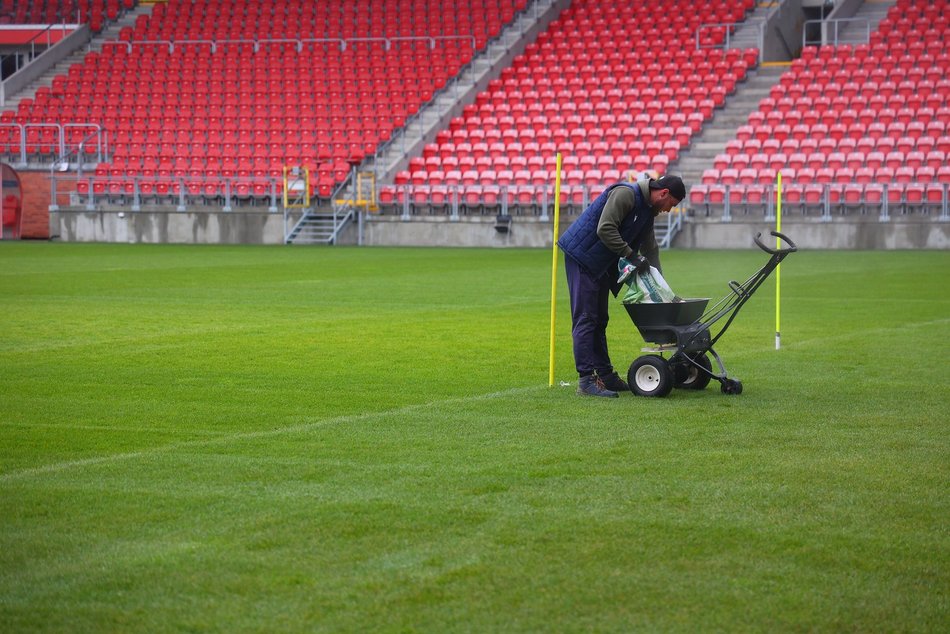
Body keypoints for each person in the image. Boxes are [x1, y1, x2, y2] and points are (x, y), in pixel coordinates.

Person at [557, 174, 686, 397]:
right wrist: (630, 255)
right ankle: (586, 381)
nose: (668, 210)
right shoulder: (626, 194)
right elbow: (605, 228)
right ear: (663, 193)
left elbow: (650, 250)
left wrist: (663, 289)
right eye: (671, 205)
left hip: (601, 264)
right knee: (587, 318)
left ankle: (605, 376)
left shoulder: (648, 211)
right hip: (582, 258)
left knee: (600, 320)